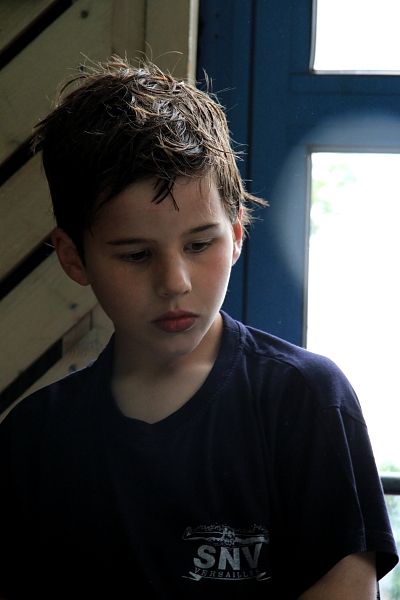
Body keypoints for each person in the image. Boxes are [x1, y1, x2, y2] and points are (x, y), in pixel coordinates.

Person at [0, 58, 397, 600]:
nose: (175, 282)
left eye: (199, 244)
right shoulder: (34, 440)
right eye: (136, 254)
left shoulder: (305, 399)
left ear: (236, 236)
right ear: (73, 257)